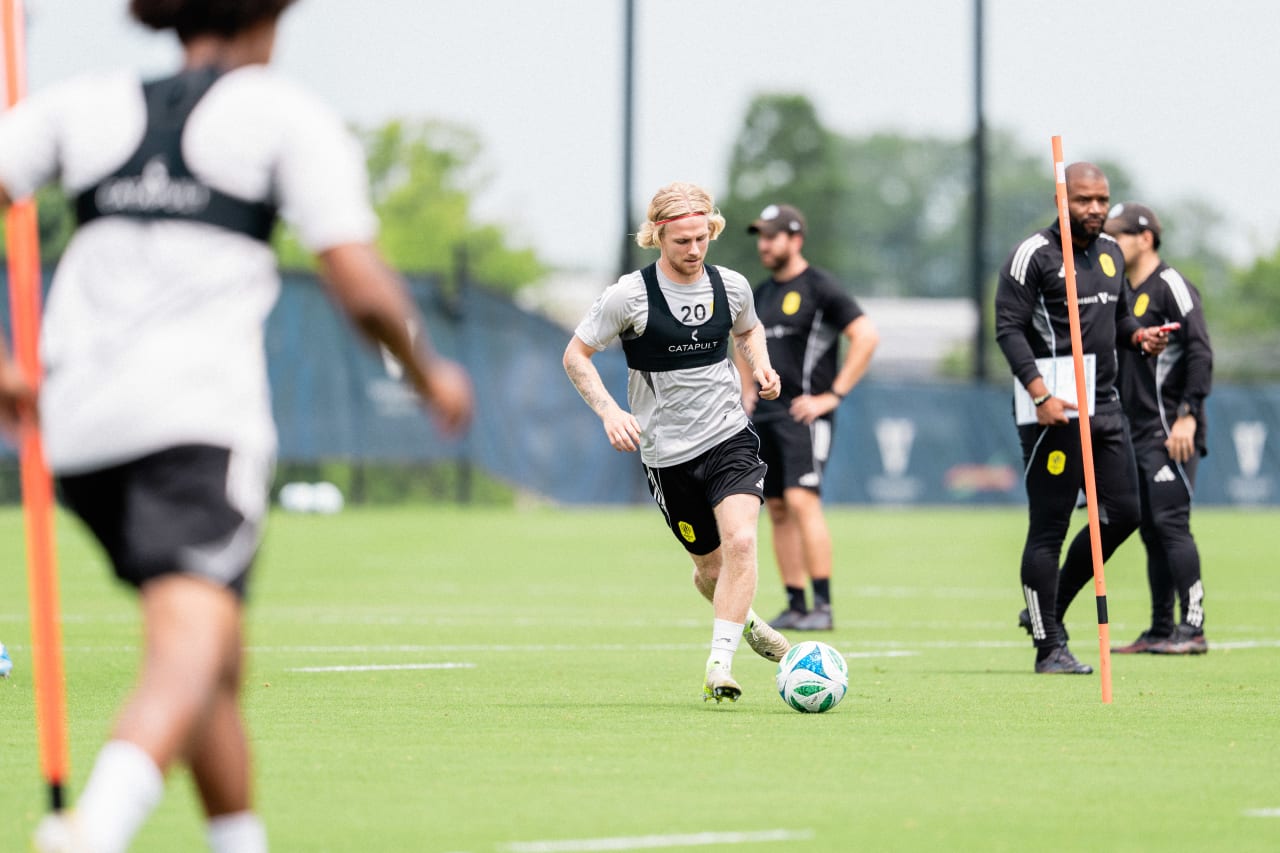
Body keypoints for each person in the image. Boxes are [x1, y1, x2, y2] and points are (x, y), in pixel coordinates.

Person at [0, 2, 474, 850]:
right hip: (193, 426)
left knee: (215, 657)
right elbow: (358, 282)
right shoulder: (283, 114)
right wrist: (429, 370)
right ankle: (95, 828)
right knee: (190, 640)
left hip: (77, 430)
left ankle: (238, 838)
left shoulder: (83, 103)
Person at [563, 181, 790, 703]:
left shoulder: (730, 286)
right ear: (657, 236)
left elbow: (748, 329)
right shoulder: (629, 296)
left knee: (741, 542)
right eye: (681, 241)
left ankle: (720, 664)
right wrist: (609, 411)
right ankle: (747, 621)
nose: (693, 250)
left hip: (729, 436)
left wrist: (762, 367)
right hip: (667, 456)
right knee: (709, 570)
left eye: (701, 238)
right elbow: (576, 355)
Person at [994, 162, 1169, 675]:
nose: (1094, 209)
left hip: (1104, 404)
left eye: (1101, 200)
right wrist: (1040, 393)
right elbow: (1008, 329)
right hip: (1052, 409)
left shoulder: (1113, 253)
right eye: (1083, 200)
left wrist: (1138, 335)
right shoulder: (1033, 256)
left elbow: (1117, 319)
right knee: (1049, 526)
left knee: (1124, 515)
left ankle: (1047, 611)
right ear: (1061, 200)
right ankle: (1049, 647)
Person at [741, 203, 878, 631]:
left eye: (772, 235)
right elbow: (743, 339)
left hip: (804, 416)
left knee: (802, 501)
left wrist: (831, 396)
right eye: (761, 236)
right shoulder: (760, 293)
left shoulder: (820, 287)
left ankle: (823, 605)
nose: (764, 244)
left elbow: (866, 336)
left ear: (795, 239)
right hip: (765, 417)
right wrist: (747, 390)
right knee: (778, 507)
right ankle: (796, 604)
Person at [1105, 202, 1213, 655]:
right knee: (1150, 528)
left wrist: (1189, 413)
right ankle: (1159, 629)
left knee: (1171, 524)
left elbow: (1200, 350)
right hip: (1137, 429)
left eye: (1118, 235)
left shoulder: (1171, 285)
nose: (1109, 244)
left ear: (1145, 238)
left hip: (1173, 428)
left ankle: (1193, 629)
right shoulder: (1121, 290)